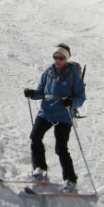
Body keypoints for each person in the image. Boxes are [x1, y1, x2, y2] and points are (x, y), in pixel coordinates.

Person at [23, 43, 86, 192]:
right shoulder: (48, 72)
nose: (57, 60)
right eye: (55, 57)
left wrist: (71, 102)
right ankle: (40, 169)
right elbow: (41, 92)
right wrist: (32, 93)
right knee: (35, 137)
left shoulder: (73, 75)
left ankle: (70, 181)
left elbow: (81, 97)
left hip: (63, 115)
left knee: (61, 148)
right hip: (46, 111)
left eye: (61, 58)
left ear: (66, 59)